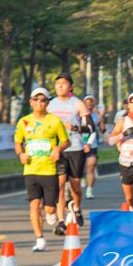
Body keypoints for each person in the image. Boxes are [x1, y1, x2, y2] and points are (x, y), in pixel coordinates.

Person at [14, 88, 69, 252]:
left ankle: (52, 214)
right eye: (36, 99)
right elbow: (18, 142)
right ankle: (39, 239)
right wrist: (20, 154)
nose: (39, 103)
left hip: (49, 170)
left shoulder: (55, 121)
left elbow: (66, 141)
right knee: (34, 205)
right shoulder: (23, 122)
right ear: (31, 102)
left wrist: (58, 149)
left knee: (49, 209)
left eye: (43, 100)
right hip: (31, 169)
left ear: (47, 103)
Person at [47, 72, 94, 234]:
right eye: (57, 83)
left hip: (75, 148)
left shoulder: (78, 104)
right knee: (59, 185)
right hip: (57, 150)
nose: (60, 86)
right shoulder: (50, 105)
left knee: (75, 186)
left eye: (64, 83)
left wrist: (75, 128)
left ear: (71, 87)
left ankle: (77, 207)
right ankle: (60, 221)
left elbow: (90, 128)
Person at [82, 94, 106, 199]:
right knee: (82, 168)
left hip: (92, 144)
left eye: (91, 102)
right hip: (79, 144)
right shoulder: (79, 115)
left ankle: (89, 190)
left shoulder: (97, 116)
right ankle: (82, 177)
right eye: (87, 102)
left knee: (91, 166)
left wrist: (102, 124)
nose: (89, 104)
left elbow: (103, 130)